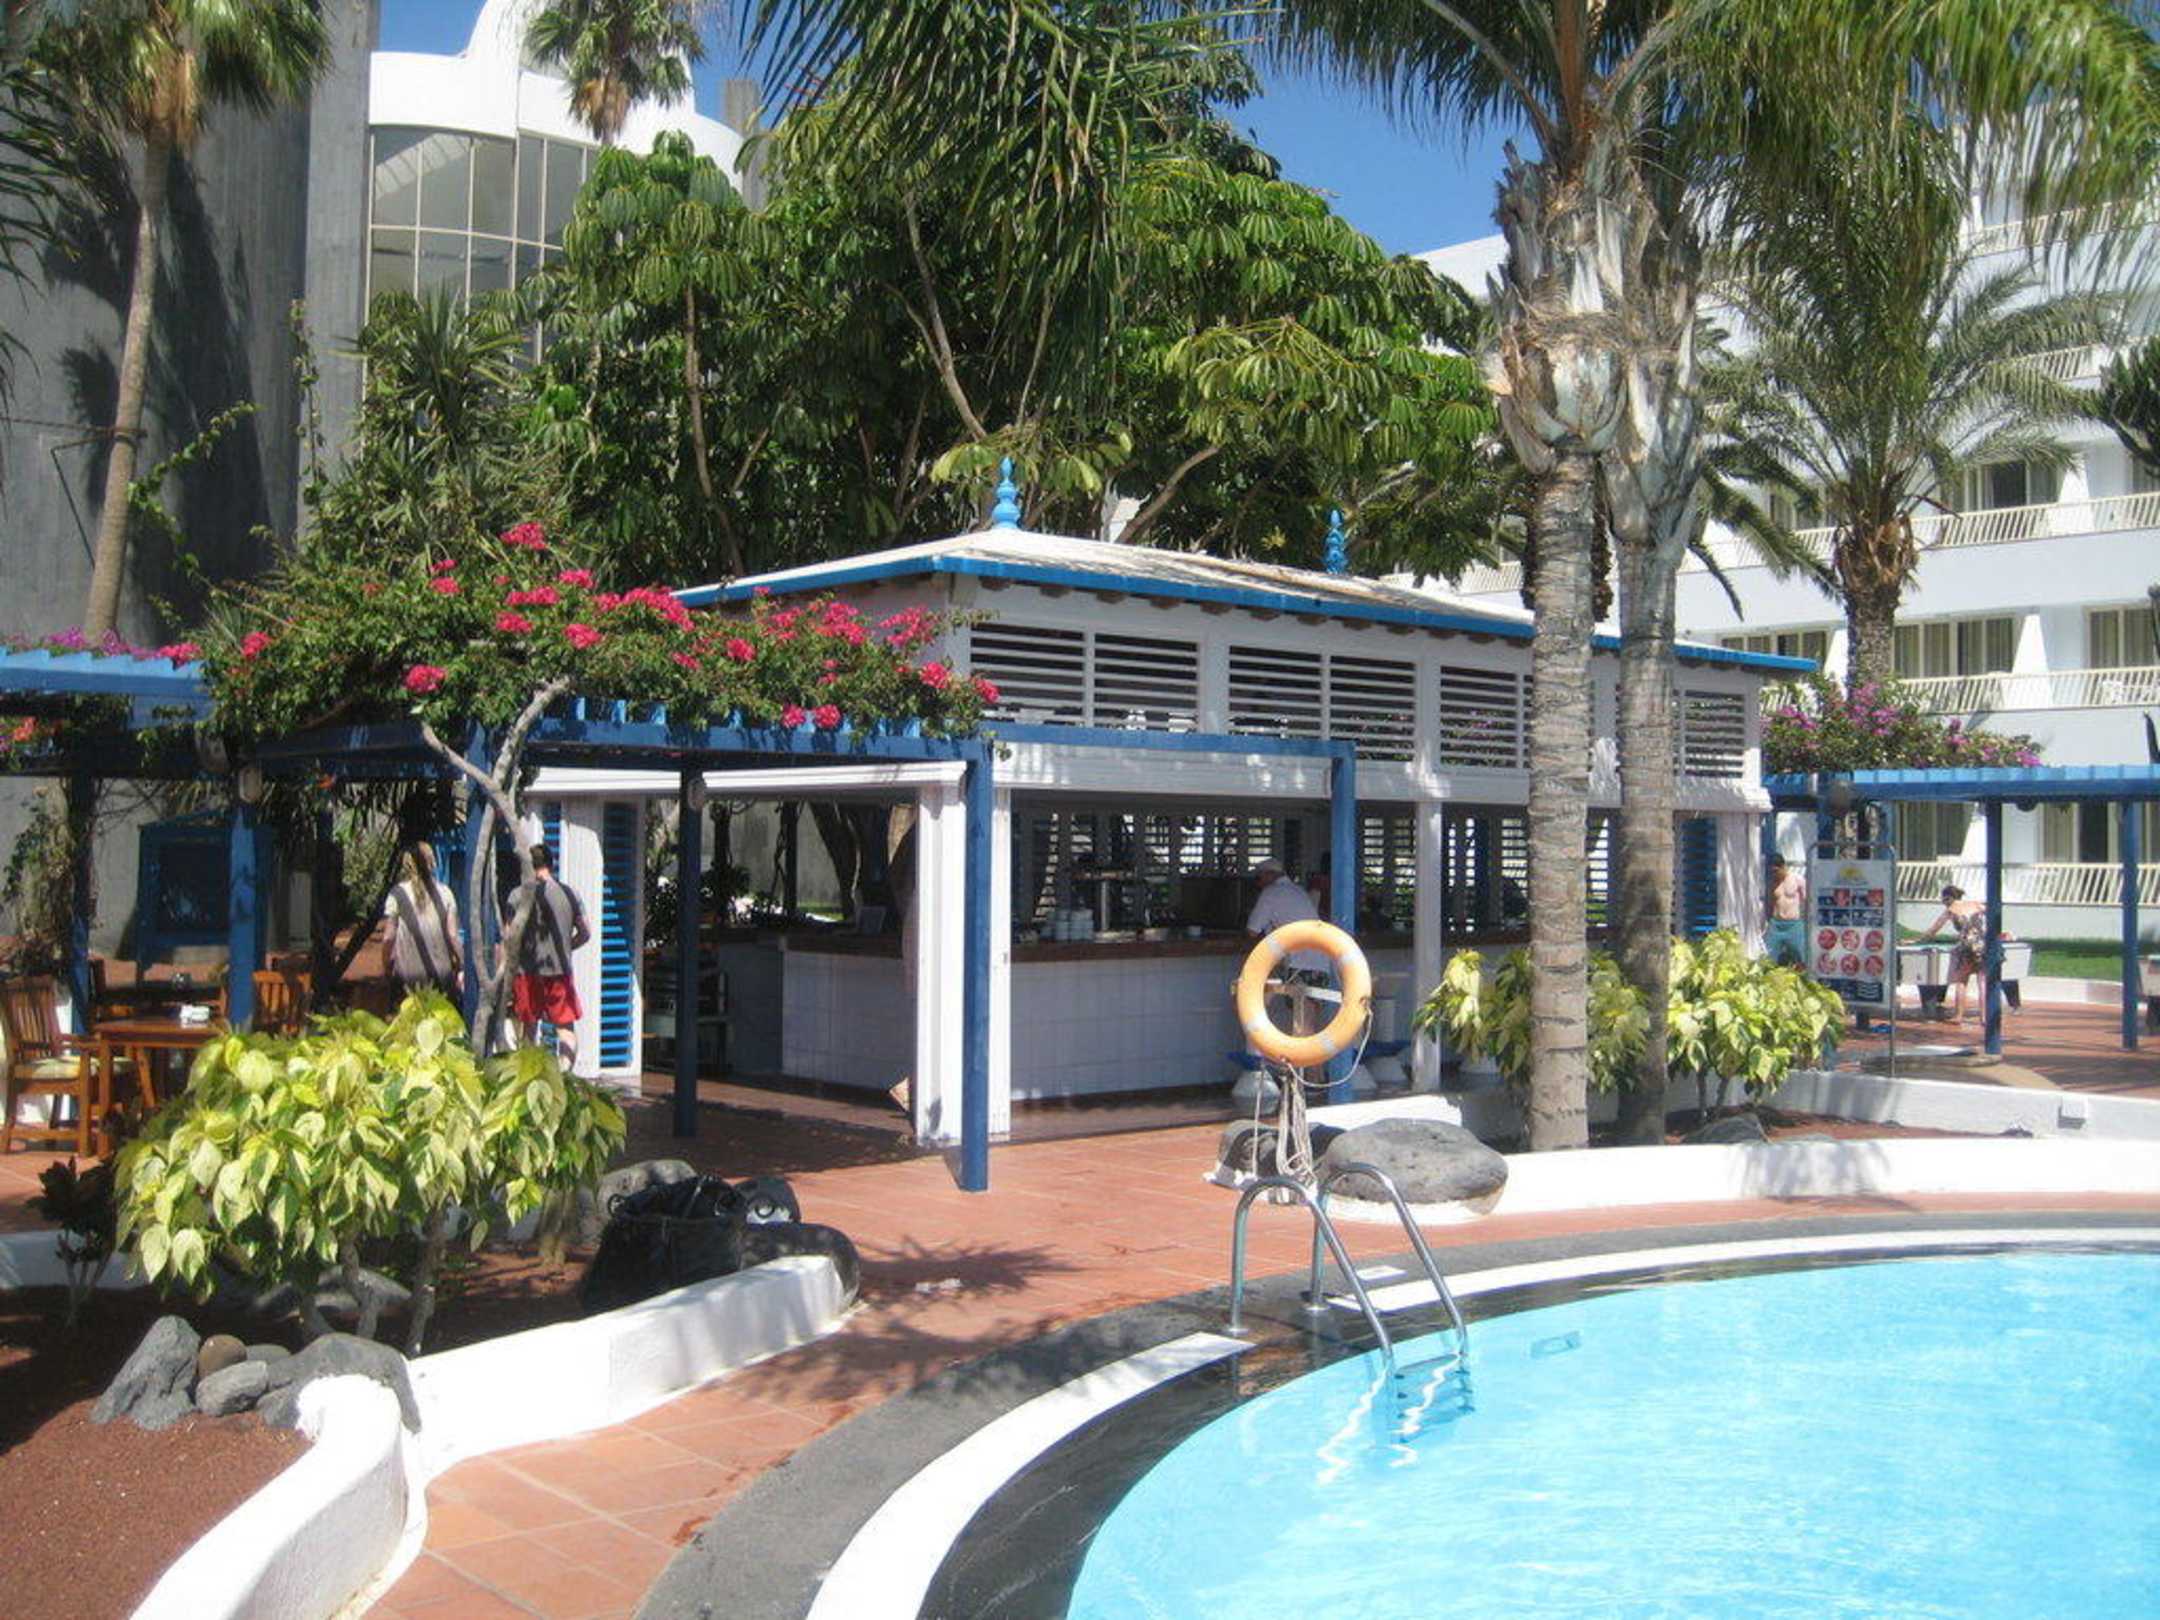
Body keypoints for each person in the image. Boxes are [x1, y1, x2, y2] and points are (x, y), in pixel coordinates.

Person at [511, 842, 591, 1065]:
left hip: (527, 972)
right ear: (551, 864)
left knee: (529, 1028)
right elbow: (586, 933)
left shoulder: (517, 896)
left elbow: (510, 937)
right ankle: (564, 1074)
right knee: (565, 1028)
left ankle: (530, 1075)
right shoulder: (570, 894)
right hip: (560, 972)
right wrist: (566, 946)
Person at [382, 842, 462, 1002]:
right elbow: (453, 936)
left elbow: (388, 937)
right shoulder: (446, 893)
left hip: (407, 981)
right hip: (442, 980)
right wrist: (461, 965)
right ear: (432, 863)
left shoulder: (397, 895)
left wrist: (386, 964)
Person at [1920, 884, 1989, 1023]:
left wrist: (1917, 939)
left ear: (1949, 898)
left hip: (1966, 946)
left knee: (1961, 981)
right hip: (1982, 944)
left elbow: (1934, 929)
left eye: (1944, 900)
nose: (1943, 903)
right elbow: (1991, 916)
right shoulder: (1976, 904)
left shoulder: (1951, 909)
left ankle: (1958, 1016)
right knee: (1982, 981)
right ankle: (1984, 1017)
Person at [1764, 856, 1808, 967]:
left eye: (1776, 871)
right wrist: (1767, 921)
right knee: (1768, 955)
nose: (1775, 874)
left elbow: (1807, 900)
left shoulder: (1797, 879)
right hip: (1776, 924)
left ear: (1783, 867)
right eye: (1772, 872)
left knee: (1801, 954)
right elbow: (1769, 903)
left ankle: (1804, 975)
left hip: (1793, 924)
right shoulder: (1772, 883)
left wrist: (1806, 920)